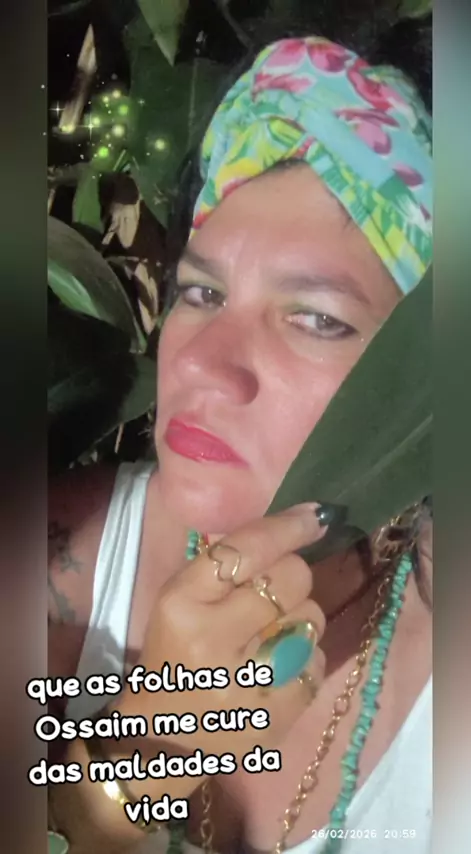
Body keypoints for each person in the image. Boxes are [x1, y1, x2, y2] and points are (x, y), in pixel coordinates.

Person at [48, 20, 432, 854]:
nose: (202, 366)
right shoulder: (54, 565)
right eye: (201, 293)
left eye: (316, 318)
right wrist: (141, 761)